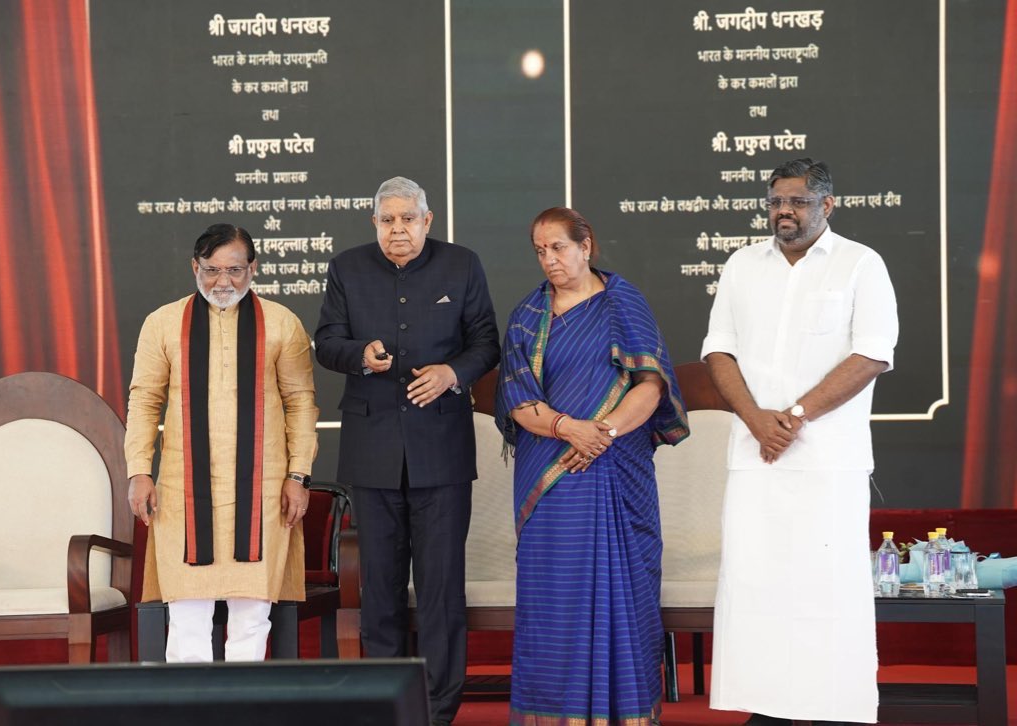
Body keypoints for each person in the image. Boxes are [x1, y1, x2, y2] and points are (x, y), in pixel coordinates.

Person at [703, 158, 899, 725]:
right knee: (755, 589)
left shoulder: (862, 264)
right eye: (775, 202)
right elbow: (719, 350)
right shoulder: (742, 264)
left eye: (797, 202)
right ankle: (766, 709)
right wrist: (756, 420)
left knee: (826, 592)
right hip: (754, 457)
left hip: (827, 462)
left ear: (827, 205)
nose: (784, 212)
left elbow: (871, 354)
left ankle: (832, 708)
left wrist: (791, 417)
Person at [314, 176, 500, 725]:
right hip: (371, 452)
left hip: (441, 450)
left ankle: (440, 710)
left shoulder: (461, 264)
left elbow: (486, 341)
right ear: (374, 224)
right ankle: (386, 707)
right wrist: (358, 356)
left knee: (442, 591)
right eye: (387, 220)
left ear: (428, 220)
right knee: (381, 590)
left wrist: (451, 373)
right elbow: (326, 341)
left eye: (408, 219)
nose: (398, 229)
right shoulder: (347, 268)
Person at [495, 207, 689, 725]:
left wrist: (601, 434)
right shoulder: (527, 315)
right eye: (540, 250)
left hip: (614, 468)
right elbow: (517, 399)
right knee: (554, 602)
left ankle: (620, 712)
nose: (549, 260)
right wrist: (567, 429)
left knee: (622, 595)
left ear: (587, 245)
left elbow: (650, 385)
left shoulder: (623, 303)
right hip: (549, 472)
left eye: (558, 247)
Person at [125, 223, 319, 663]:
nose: (223, 282)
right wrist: (139, 470)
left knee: (252, 618)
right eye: (212, 270)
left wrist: (297, 475)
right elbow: (144, 401)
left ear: (253, 268)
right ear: (195, 267)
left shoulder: (283, 323)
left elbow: (302, 404)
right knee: (187, 619)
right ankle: (191, 710)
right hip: (182, 491)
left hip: (264, 490)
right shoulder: (163, 323)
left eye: (235, 270)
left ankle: (243, 709)